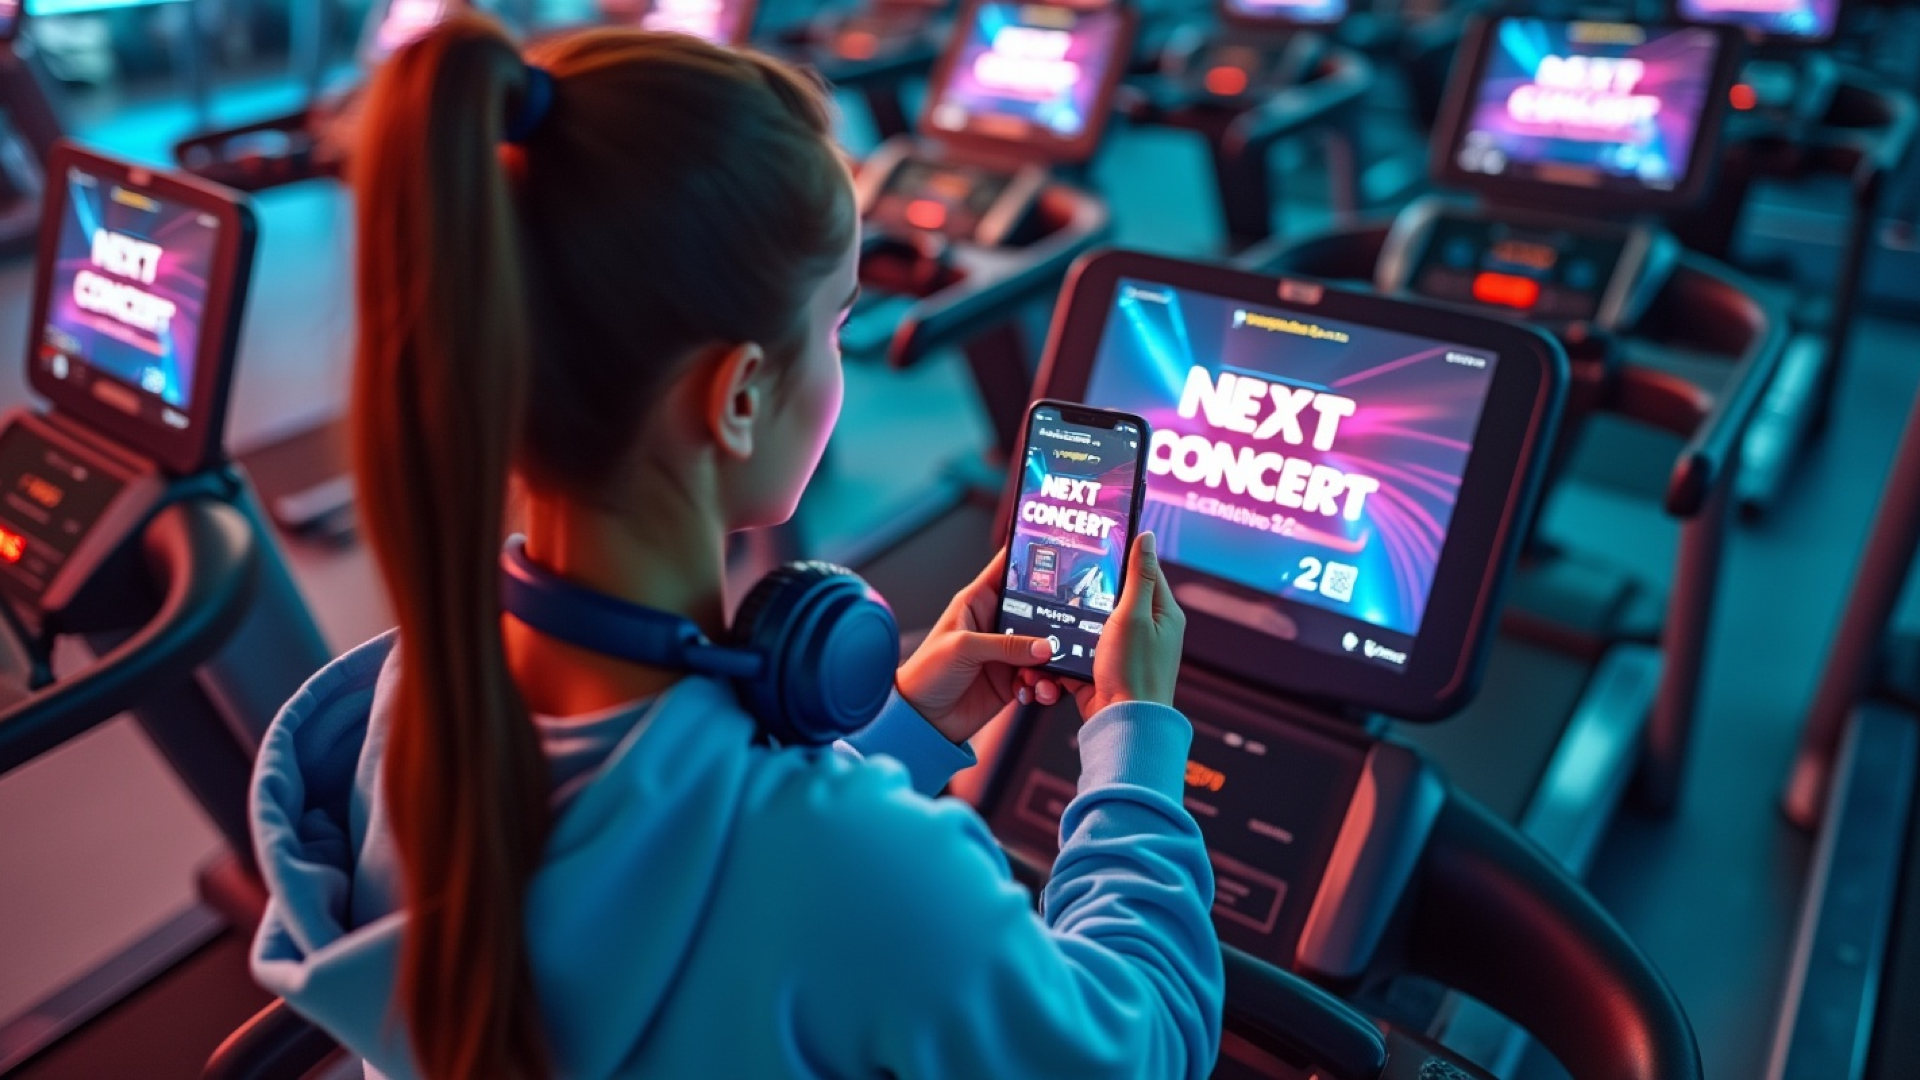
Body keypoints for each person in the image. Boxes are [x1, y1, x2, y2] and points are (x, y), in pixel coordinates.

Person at [249, 15, 1222, 1079]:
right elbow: (1139, 1048)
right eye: (836, 324)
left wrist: (903, 728)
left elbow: (658, 858)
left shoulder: (414, 705)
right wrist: (1134, 751)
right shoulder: (865, 869)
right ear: (742, 394)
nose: (841, 359)